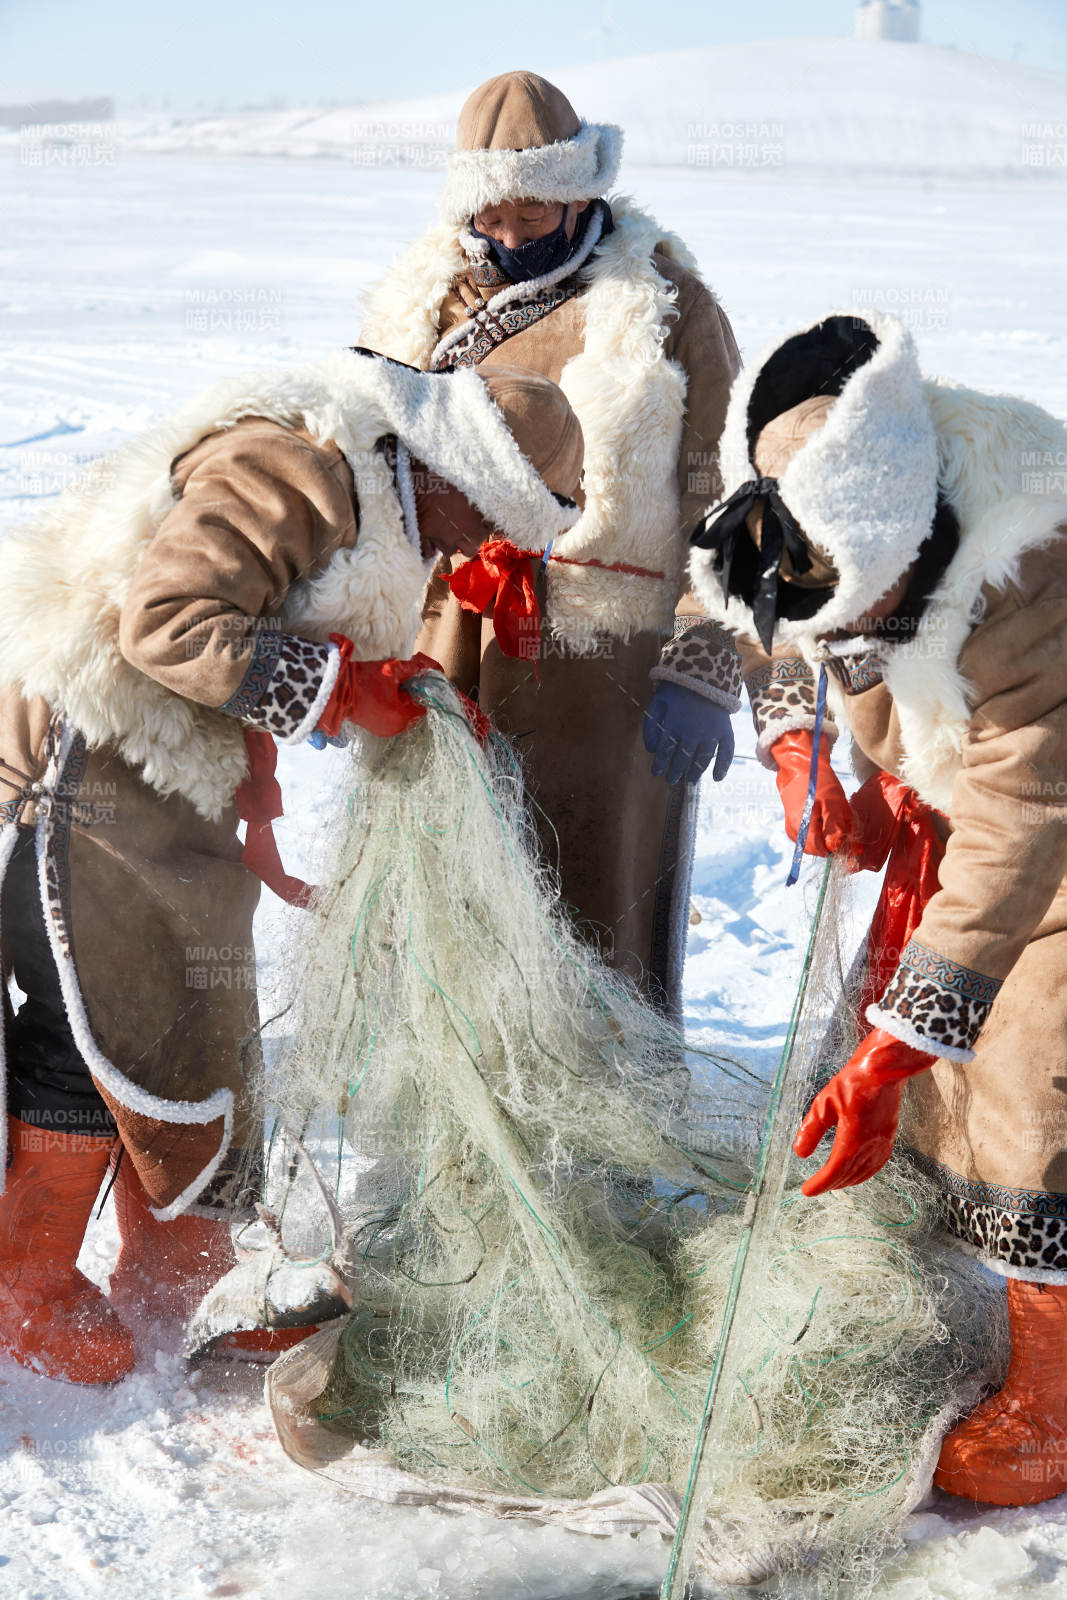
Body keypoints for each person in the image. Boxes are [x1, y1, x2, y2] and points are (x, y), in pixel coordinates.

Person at [0, 351, 583, 1384]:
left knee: (192, 1007)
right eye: (486, 519)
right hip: (91, 755)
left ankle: (173, 1250)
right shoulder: (296, 470)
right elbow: (165, 623)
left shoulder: (380, 493)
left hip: (172, 772)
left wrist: (363, 684)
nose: (479, 549)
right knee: (92, 1010)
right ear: (456, 475)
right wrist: (338, 691)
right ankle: (27, 1273)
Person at [689, 307, 1067, 1506]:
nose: (834, 640)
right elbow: (778, 640)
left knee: (1027, 1062)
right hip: (979, 806)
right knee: (922, 1044)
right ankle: (990, 1294)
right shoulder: (823, 514)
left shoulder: (1029, 567)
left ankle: (1053, 1402)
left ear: (901, 550)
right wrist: (807, 756)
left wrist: (896, 1049)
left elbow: (1021, 822)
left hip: (1044, 811)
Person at [360, 70, 743, 1019]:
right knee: (443, 891)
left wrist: (704, 658)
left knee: (588, 901)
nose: (510, 239)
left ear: (582, 194)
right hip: (446, 641)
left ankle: (604, 1136)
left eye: (533, 219)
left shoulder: (666, 307)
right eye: (492, 220)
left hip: (600, 669)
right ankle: (449, 1116)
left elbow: (723, 494)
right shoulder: (426, 300)